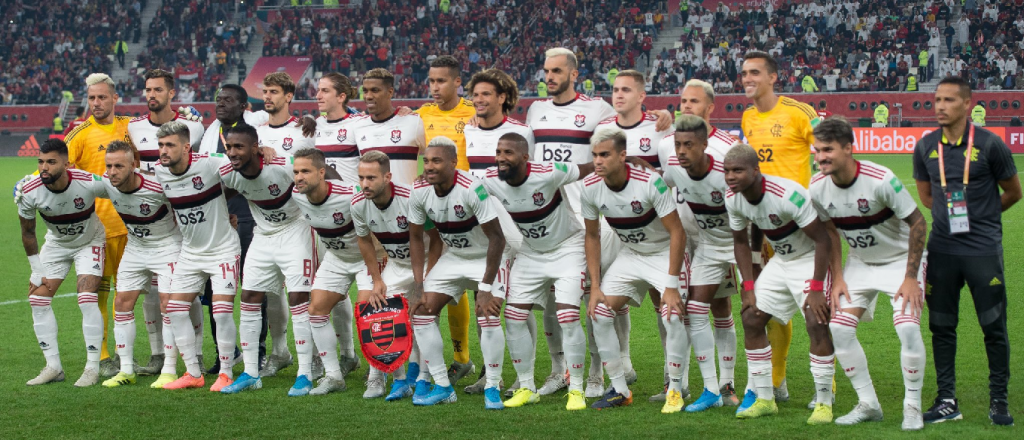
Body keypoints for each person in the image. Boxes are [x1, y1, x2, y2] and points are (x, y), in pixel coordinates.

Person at [913, 77, 1021, 426]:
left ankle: (998, 400)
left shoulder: (991, 145)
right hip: (942, 250)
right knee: (942, 327)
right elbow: (928, 197)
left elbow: (1013, 192)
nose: (940, 106)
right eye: (936, 100)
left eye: (948, 100)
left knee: (994, 327)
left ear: (968, 104)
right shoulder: (925, 146)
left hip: (982, 252)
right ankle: (947, 400)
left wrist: (985, 219)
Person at [809, 117, 928, 431]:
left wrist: (911, 278)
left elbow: (919, 223)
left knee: (906, 329)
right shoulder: (817, 187)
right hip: (860, 263)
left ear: (849, 148)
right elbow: (831, 233)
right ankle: (869, 404)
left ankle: (912, 407)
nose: (820, 157)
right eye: (817, 150)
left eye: (828, 150)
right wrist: (839, 278)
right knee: (840, 329)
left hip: (901, 263)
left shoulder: (881, 179)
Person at [480, 133, 596, 410]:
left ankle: (577, 389)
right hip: (531, 252)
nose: (500, 158)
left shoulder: (550, 173)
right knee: (514, 316)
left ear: (525, 157)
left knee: (568, 317)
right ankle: (526, 386)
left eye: (508, 152)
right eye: (498, 152)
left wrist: (626, 162)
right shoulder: (490, 179)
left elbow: (591, 168)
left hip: (568, 248)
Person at [723, 143, 835, 424]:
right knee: (751, 317)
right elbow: (741, 240)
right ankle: (764, 399)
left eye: (738, 170)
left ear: (756, 171)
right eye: (727, 171)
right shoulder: (733, 198)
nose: (730, 177)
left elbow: (823, 240)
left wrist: (819, 288)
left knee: (816, 320)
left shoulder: (788, 195)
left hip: (810, 258)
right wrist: (749, 286)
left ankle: (824, 402)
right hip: (782, 261)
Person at [580, 127, 687, 410]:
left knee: (672, 315)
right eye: (594, 156)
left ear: (622, 156)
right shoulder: (590, 186)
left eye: (605, 154)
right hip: (631, 254)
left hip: (663, 252)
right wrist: (595, 286)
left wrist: (672, 284)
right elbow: (591, 236)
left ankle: (675, 389)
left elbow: (677, 232)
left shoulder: (650, 182)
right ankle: (619, 388)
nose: (598, 161)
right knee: (599, 312)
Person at [215, 124, 320, 397]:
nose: (232, 153)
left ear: (255, 148)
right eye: (229, 147)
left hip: (296, 230)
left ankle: (305, 373)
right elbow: (223, 193)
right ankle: (251, 372)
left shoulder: (282, 166)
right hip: (263, 234)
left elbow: (322, 177)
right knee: (249, 296)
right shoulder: (229, 173)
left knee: (299, 298)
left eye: (239, 147)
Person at [739, 51, 821, 406]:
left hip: (803, 226)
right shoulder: (747, 118)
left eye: (755, 72)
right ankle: (776, 381)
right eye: (744, 73)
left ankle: (826, 388)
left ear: (774, 77)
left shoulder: (799, 112)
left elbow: (826, 149)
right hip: (766, 226)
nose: (747, 79)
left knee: (814, 307)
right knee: (769, 309)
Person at [408, 137, 513, 409]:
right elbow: (417, 239)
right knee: (421, 312)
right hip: (454, 257)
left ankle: (492, 385)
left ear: (454, 163)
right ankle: (443, 386)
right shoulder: (419, 191)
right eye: (427, 160)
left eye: (437, 161)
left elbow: (497, 239)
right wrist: (419, 285)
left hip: (485, 256)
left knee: (487, 315)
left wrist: (486, 288)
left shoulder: (472, 189)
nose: (429, 166)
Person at [658, 79, 740, 406]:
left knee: (732, 310)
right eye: (682, 101)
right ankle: (710, 388)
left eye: (694, 101)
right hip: (694, 240)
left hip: (734, 243)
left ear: (710, 107)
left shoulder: (728, 149)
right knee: (694, 310)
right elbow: (662, 184)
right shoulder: (670, 147)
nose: (687, 106)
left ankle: (731, 384)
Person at [156, 121, 242, 391]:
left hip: (223, 249)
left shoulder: (211, 162)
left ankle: (226, 372)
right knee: (175, 310)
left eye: (170, 145)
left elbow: (244, 173)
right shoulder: (159, 171)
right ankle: (193, 373)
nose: (163, 151)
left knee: (221, 311)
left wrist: (221, 205)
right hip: (191, 253)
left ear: (185, 147)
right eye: (160, 145)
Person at [351, 151, 444, 401]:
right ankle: (398, 381)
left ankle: (424, 379)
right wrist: (377, 280)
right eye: (361, 177)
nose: (365, 184)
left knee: (424, 317)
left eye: (371, 177)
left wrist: (424, 281)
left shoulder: (411, 198)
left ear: (388, 177)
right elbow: (364, 241)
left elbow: (436, 240)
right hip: (396, 264)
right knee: (379, 313)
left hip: (427, 263)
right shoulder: (358, 203)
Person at [18, 139, 107, 387]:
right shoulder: (30, 190)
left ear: (67, 163)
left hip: (90, 242)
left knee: (87, 297)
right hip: (56, 245)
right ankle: (53, 367)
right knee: (37, 299)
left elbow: (120, 190)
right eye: (40, 161)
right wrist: (37, 270)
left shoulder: (87, 182)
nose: (43, 167)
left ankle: (92, 367)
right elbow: (27, 233)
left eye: (51, 162)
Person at [96, 141, 184, 388]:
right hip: (136, 247)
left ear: (134, 165)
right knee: (122, 302)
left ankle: (169, 369)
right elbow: (73, 178)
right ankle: (126, 370)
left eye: (119, 166)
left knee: (168, 303)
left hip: (167, 245)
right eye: (109, 166)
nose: (112, 171)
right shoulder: (105, 183)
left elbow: (187, 200)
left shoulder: (157, 185)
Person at [414, 56, 479, 388]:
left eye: (441, 81)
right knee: (443, 282)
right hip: (433, 208)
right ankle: (459, 359)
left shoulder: (473, 114)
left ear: (457, 83)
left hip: (472, 209)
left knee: (477, 286)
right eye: (431, 81)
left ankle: (471, 360)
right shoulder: (420, 116)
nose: (434, 87)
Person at [64, 73, 131, 377]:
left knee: (130, 294)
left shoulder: (130, 126)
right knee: (101, 294)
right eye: (91, 98)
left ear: (114, 98)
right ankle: (104, 356)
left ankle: (130, 354)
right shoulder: (80, 134)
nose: (96, 103)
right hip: (100, 230)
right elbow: (56, 169)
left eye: (102, 97)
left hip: (134, 227)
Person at [290, 148, 371, 396]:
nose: (299, 177)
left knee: (368, 313)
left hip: (366, 258)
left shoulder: (351, 195)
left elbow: (376, 218)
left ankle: (377, 375)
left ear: (322, 173)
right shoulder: (298, 195)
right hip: (336, 258)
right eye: (295, 172)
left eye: (305, 171)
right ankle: (334, 376)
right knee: (315, 311)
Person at [355, 69, 426, 186]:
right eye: (365, 91)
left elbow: (434, 155)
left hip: (406, 203)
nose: (368, 96)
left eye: (375, 90)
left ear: (390, 92)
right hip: (372, 203)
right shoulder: (358, 126)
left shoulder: (413, 122)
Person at [314, 72, 370, 183]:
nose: (318, 96)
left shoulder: (359, 124)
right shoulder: (316, 124)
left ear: (341, 97)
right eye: (318, 90)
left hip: (351, 197)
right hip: (323, 198)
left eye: (325, 91)